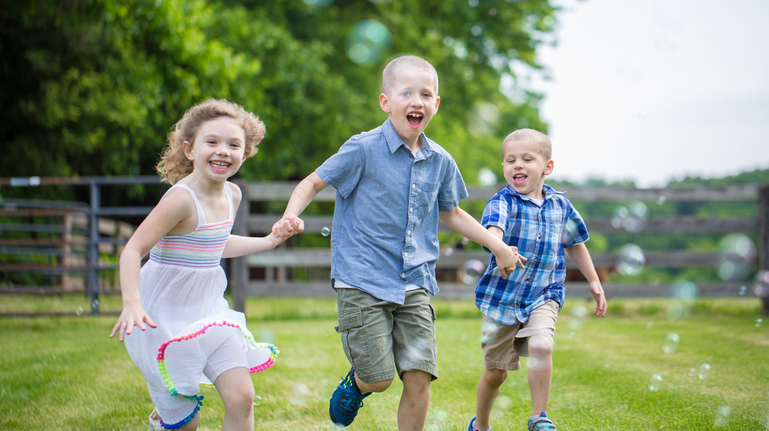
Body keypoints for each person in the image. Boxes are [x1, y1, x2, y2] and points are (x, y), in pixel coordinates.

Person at [272, 55, 524, 431]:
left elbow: (451, 213)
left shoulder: (440, 161)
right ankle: (358, 384)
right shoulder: (362, 149)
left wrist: (497, 246)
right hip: (362, 279)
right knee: (379, 378)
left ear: (435, 104)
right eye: (406, 92)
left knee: (419, 375)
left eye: (426, 94)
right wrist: (290, 214)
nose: (417, 101)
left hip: (415, 281)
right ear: (386, 102)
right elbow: (312, 183)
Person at [110, 99, 295, 431]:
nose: (222, 151)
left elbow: (214, 243)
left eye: (233, 144)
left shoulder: (233, 195)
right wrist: (131, 303)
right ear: (189, 149)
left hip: (207, 310)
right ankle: (162, 419)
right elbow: (132, 249)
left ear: (246, 152)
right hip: (161, 317)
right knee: (186, 423)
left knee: (241, 396)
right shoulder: (181, 199)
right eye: (212, 142)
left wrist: (268, 241)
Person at [467, 128, 607, 431]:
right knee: (495, 374)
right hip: (502, 298)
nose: (517, 165)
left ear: (547, 167)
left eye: (526, 159)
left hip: (545, 293)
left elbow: (576, 244)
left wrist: (594, 280)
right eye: (510, 160)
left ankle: (540, 417)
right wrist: (500, 248)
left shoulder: (561, 206)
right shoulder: (502, 202)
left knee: (543, 346)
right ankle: (480, 425)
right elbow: (493, 231)